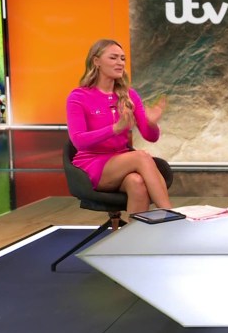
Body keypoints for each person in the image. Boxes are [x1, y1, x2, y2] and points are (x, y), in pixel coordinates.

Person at [66, 39, 172, 214]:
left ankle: (135, 239)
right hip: (92, 164)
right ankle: (170, 214)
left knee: (137, 183)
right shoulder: (78, 97)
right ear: (96, 61)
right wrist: (115, 128)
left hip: (122, 161)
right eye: (113, 58)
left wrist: (151, 123)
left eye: (122, 59)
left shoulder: (129, 95)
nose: (120, 63)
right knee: (141, 157)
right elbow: (79, 142)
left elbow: (150, 136)